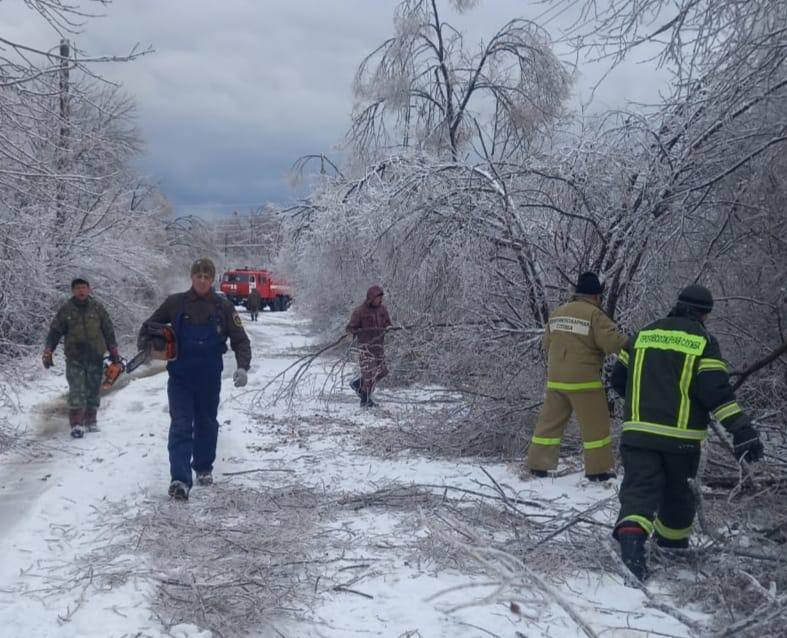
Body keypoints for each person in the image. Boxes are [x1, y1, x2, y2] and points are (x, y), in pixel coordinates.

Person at [609, 284, 763, 581]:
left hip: (638, 433)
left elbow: (618, 380)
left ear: (677, 304)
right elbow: (715, 392)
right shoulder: (703, 341)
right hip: (681, 440)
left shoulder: (643, 334)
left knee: (639, 490)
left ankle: (631, 538)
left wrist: (645, 399)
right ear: (704, 314)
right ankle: (672, 548)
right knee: (679, 497)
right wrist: (741, 430)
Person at [138, 258, 251, 500]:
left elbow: (240, 339)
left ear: (212, 280)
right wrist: (149, 347)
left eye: (206, 277)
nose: (202, 280)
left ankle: (203, 468)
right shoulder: (175, 303)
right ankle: (179, 479)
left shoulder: (223, 306)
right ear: (192, 278)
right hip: (180, 376)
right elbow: (149, 326)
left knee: (207, 423)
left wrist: (243, 367)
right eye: (198, 276)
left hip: (210, 377)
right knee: (180, 424)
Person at [526, 272, 628, 481]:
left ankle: (538, 466)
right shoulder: (594, 315)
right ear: (596, 296)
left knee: (549, 424)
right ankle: (598, 471)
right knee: (595, 427)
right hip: (584, 382)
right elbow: (613, 343)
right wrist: (632, 344)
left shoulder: (557, 313)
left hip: (556, 380)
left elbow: (546, 344)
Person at [43, 278, 120, 438]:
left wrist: (113, 350)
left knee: (93, 389)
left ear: (89, 289)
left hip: (95, 356)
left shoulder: (97, 307)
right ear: (73, 291)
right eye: (77, 288)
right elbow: (55, 331)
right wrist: (49, 349)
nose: (81, 291)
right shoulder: (66, 309)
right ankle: (76, 425)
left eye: (84, 287)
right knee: (77, 389)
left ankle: (91, 421)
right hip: (75, 357)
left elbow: (108, 328)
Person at [346, 285, 391, 408]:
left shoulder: (383, 310)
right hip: (365, 348)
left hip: (379, 347)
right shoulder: (359, 311)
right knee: (369, 374)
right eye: (377, 297)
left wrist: (388, 328)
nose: (380, 300)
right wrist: (353, 333)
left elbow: (388, 323)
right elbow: (351, 327)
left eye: (381, 298)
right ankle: (365, 401)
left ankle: (357, 384)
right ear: (371, 297)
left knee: (382, 372)